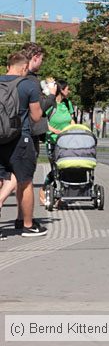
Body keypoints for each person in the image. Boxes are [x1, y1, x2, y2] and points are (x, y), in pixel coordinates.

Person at [0, 51, 47, 236]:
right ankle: (27, 224)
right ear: (25, 67)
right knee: (25, 181)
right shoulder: (28, 84)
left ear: (8, 66)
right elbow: (36, 116)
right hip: (20, 139)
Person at [39, 79, 75, 207]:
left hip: (67, 141)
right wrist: (57, 131)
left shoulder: (67, 103)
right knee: (56, 168)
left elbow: (71, 120)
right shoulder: (50, 103)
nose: (69, 91)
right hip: (53, 140)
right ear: (61, 90)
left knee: (66, 167)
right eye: (67, 89)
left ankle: (60, 195)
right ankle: (44, 190)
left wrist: (76, 130)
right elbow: (43, 122)